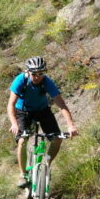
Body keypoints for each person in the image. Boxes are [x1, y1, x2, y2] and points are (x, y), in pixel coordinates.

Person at [7, 56, 79, 187]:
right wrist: (14, 123)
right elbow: (11, 104)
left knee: (57, 138)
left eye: (41, 73)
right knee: (22, 141)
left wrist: (71, 125)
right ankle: (23, 175)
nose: (37, 77)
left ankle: (46, 166)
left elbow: (61, 104)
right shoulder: (20, 81)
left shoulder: (46, 82)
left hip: (42, 110)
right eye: (34, 74)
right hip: (23, 112)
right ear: (28, 71)